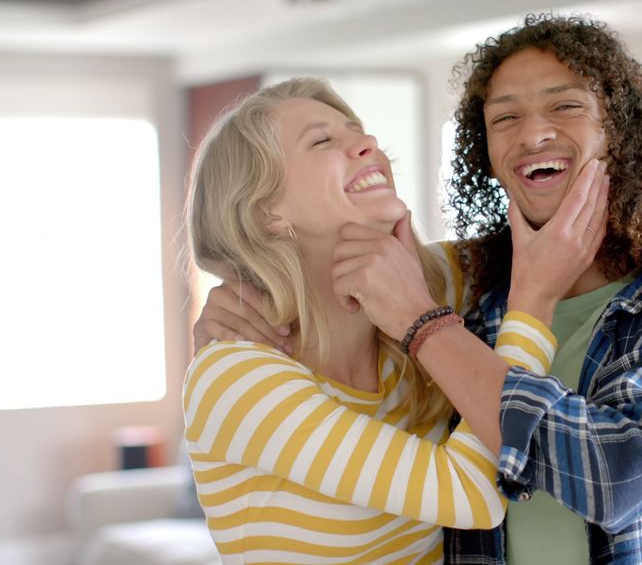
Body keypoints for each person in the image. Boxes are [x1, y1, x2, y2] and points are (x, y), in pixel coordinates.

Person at [194, 14, 642, 564]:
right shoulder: (474, 289)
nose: (534, 133)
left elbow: (618, 475)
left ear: (619, 131)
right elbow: (468, 491)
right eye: (505, 117)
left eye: (566, 105)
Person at [182, 77, 597, 563]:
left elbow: (567, 234)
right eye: (322, 141)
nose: (368, 143)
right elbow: (473, 496)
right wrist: (532, 301)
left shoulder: (428, 286)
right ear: (265, 212)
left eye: (357, 131)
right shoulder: (236, 378)